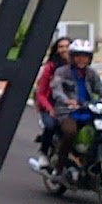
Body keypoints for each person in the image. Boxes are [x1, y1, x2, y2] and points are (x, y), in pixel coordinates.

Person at [48, 39, 102, 172]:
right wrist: (67, 100)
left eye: (85, 56)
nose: (81, 59)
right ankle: (59, 166)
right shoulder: (62, 72)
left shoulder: (91, 73)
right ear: (72, 57)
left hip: (88, 109)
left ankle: (92, 160)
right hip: (68, 112)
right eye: (78, 56)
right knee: (70, 132)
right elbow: (57, 90)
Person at [31, 36, 70, 164]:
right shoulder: (50, 67)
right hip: (49, 104)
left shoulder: (78, 66)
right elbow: (41, 93)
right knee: (51, 125)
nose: (64, 49)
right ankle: (43, 152)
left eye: (67, 46)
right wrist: (49, 109)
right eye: (61, 47)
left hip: (69, 105)